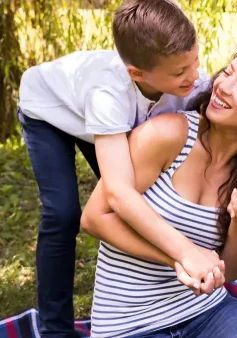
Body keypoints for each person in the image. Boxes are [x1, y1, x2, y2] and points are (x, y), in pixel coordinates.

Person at [80, 35, 237, 338]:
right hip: (130, 323)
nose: (223, 87)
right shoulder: (166, 136)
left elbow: (231, 268)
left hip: (206, 312)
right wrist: (182, 256)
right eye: (228, 73)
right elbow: (94, 218)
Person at [17, 1, 213, 335]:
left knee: (143, 202)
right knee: (64, 214)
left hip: (106, 121)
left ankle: (150, 299)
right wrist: (185, 251)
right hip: (50, 114)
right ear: (136, 73)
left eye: (195, 62)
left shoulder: (190, 79)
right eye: (180, 73)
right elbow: (120, 192)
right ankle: (55, 329)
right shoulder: (108, 94)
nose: (194, 77)